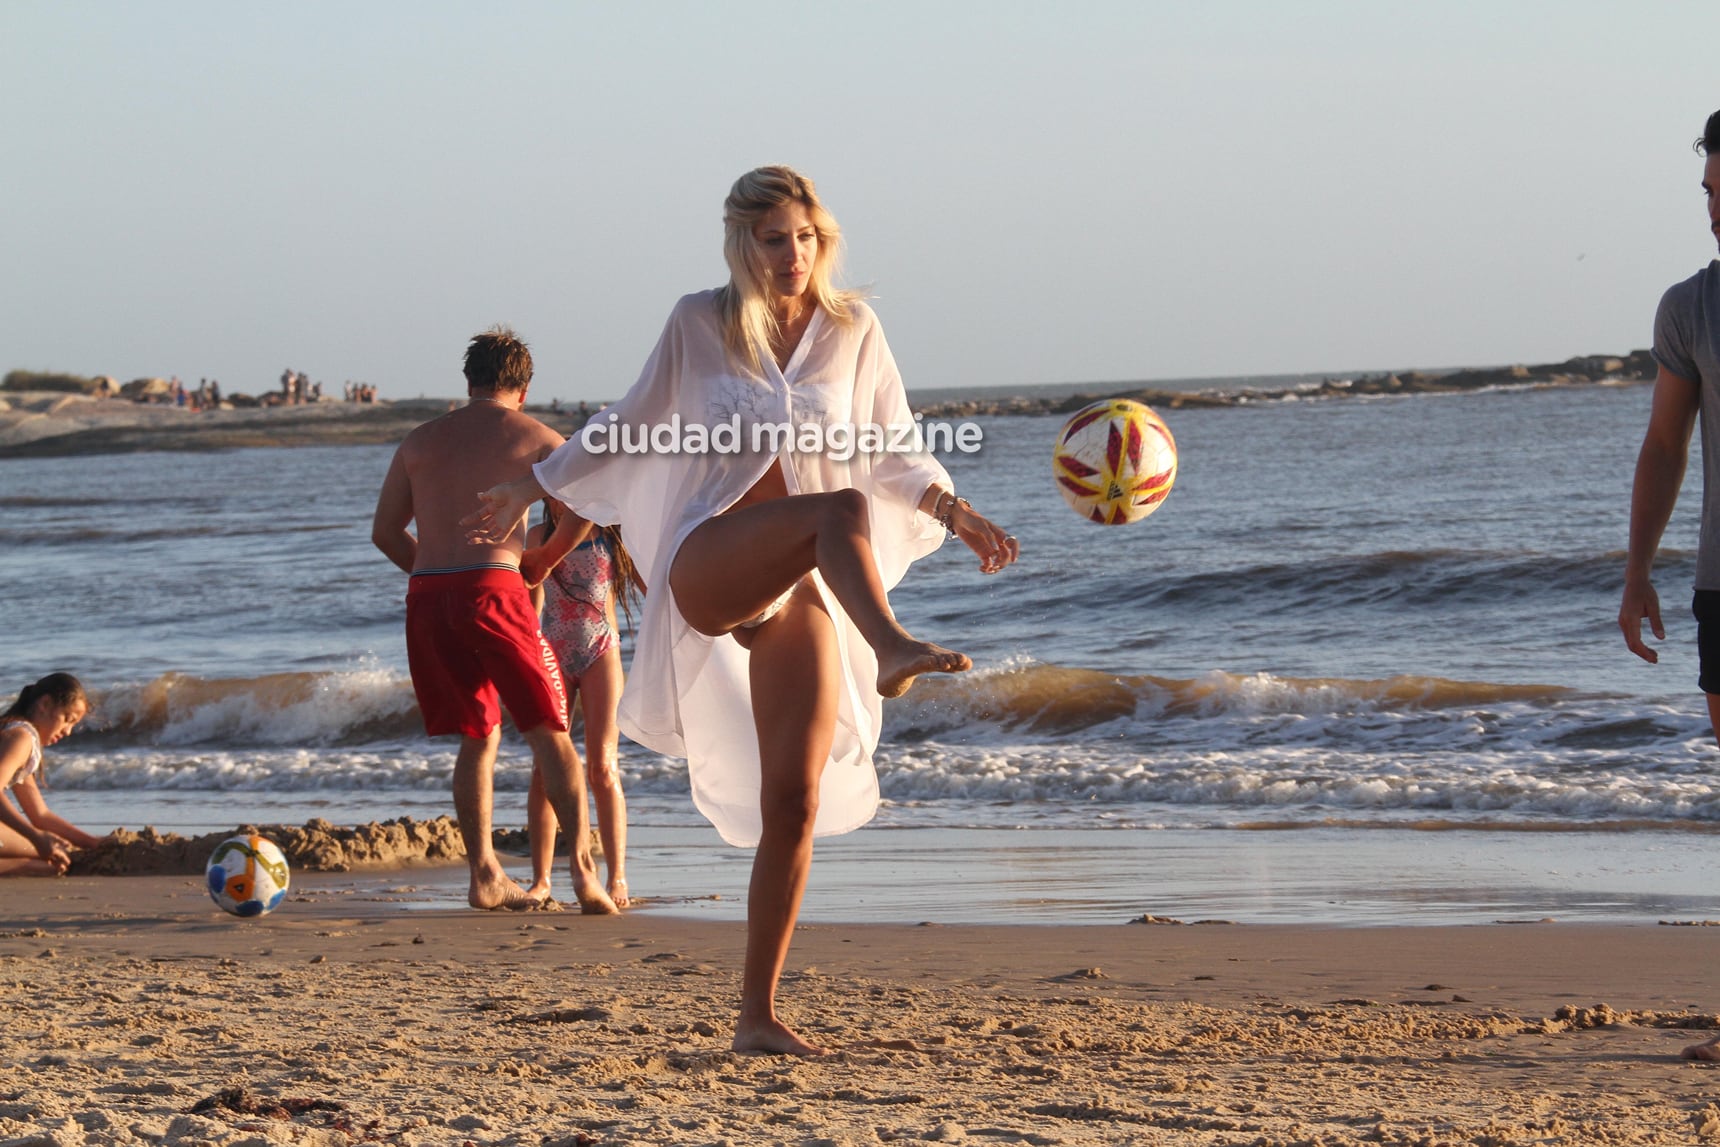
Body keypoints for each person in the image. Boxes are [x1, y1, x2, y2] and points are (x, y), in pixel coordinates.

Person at [465, 166, 1019, 1054]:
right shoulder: (700, 322)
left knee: (792, 803)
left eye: (805, 237)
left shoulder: (852, 330)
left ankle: (756, 1016)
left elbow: (893, 448)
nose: (793, 254)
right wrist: (535, 479)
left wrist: (956, 512)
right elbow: (634, 420)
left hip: (799, 595)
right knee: (838, 516)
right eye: (774, 239)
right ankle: (888, 646)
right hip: (711, 558)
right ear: (741, 242)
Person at [371, 325, 618, 915]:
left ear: (468, 381)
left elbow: (385, 534)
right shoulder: (536, 436)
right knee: (549, 731)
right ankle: (584, 876)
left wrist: (434, 574)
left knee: (479, 735)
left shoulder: (419, 440)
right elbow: (588, 507)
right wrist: (540, 561)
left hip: (430, 598)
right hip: (496, 588)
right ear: (524, 388)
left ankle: (484, 873)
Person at [1617, 109, 1720, 1061]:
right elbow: (1663, 443)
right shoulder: (1690, 307)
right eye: (1710, 195)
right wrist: (1639, 568)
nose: (1718, 212)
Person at [524, 502, 639, 907]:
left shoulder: (610, 530)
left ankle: (617, 878)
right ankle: (541, 880)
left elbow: (651, 585)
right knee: (545, 770)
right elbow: (530, 601)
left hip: (600, 650)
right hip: (551, 649)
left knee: (603, 768)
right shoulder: (537, 538)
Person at [0, 673, 110, 877]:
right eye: (68, 719)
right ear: (45, 704)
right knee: (47, 856)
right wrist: (36, 837)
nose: (68, 731)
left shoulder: (16, 734)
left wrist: (92, 843)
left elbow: (40, 815)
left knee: (53, 860)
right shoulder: (21, 737)